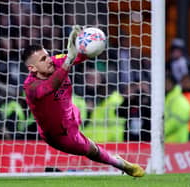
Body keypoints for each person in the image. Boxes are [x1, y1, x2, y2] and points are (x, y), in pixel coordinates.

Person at [22, 25, 144, 177]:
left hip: (71, 113)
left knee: (75, 110)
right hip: (59, 135)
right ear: (32, 68)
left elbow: (81, 56)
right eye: (43, 59)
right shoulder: (30, 86)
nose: (49, 60)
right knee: (91, 150)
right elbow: (50, 86)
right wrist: (68, 61)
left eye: (47, 55)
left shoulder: (55, 62)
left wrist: (83, 45)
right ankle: (122, 164)